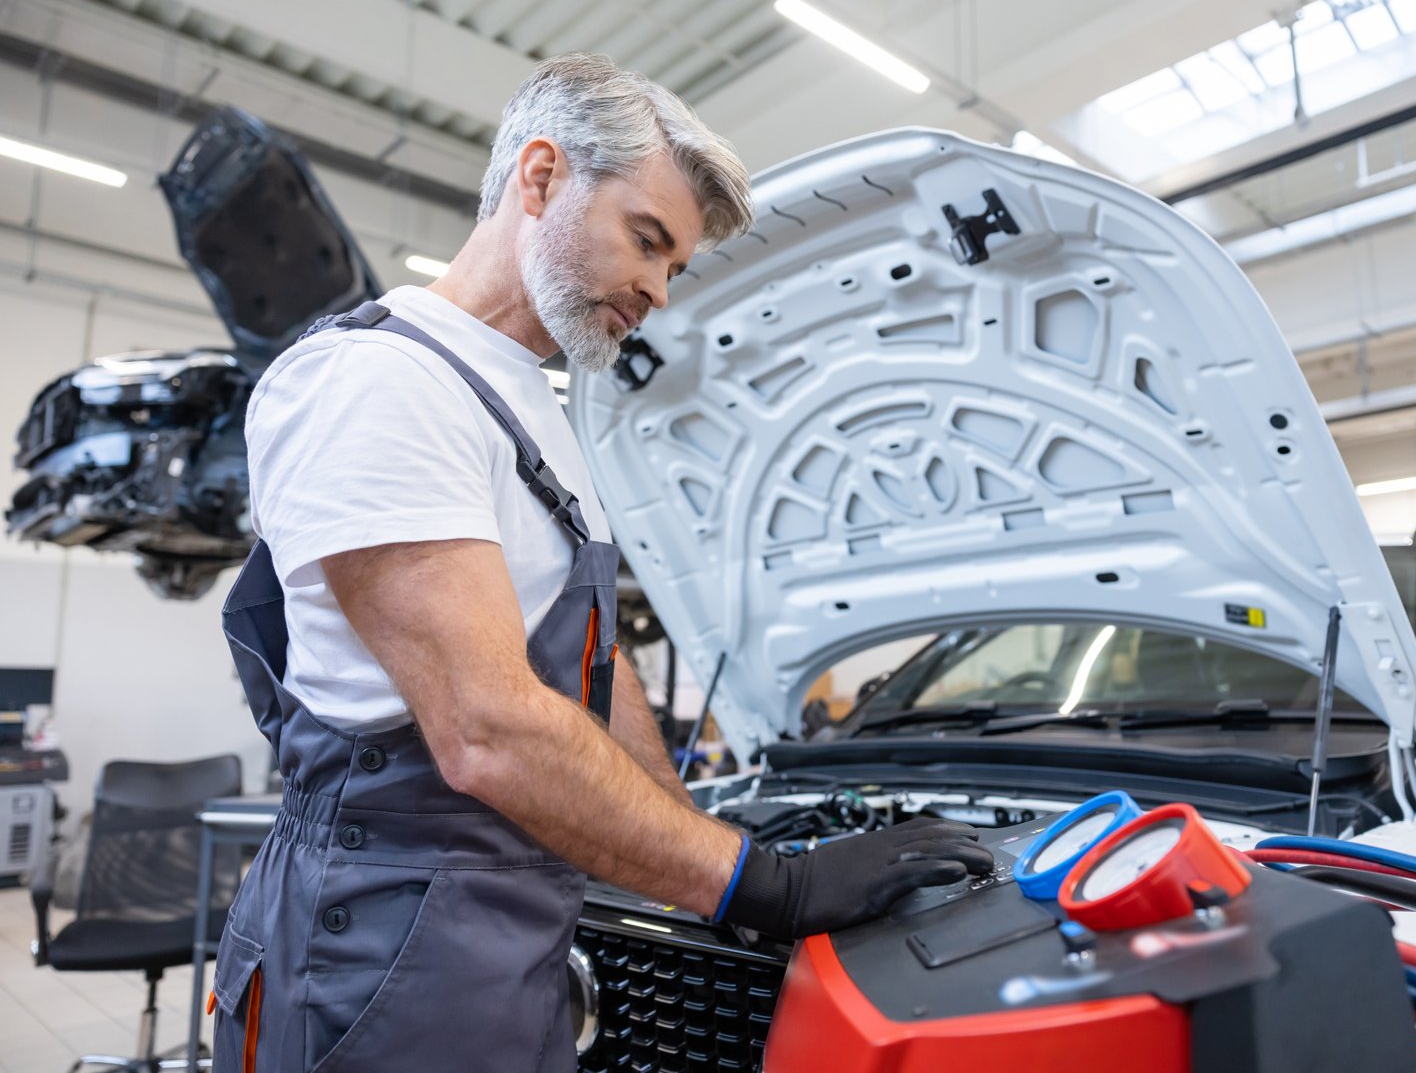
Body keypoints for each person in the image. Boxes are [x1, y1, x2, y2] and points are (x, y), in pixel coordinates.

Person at [211, 52, 991, 1071]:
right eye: (648, 241)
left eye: (675, 265)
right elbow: (488, 726)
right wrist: (763, 885)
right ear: (539, 178)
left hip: (501, 935)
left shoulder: (537, 407)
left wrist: (688, 841)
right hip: (374, 944)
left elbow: (588, 665)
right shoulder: (381, 383)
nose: (660, 290)